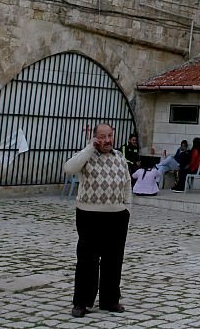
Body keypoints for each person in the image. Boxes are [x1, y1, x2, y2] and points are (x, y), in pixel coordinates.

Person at [63, 122, 132, 318]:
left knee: (114, 259)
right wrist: (89, 147)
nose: (107, 140)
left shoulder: (119, 157)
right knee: (87, 259)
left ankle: (110, 300)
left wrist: (127, 208)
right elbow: (69, 168)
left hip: (117, 215)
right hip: (89, 214)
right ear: (95, 137)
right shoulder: (86, 155)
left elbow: (127, 183)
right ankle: (81, 302)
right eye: (102, 136)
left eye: (109, 135)